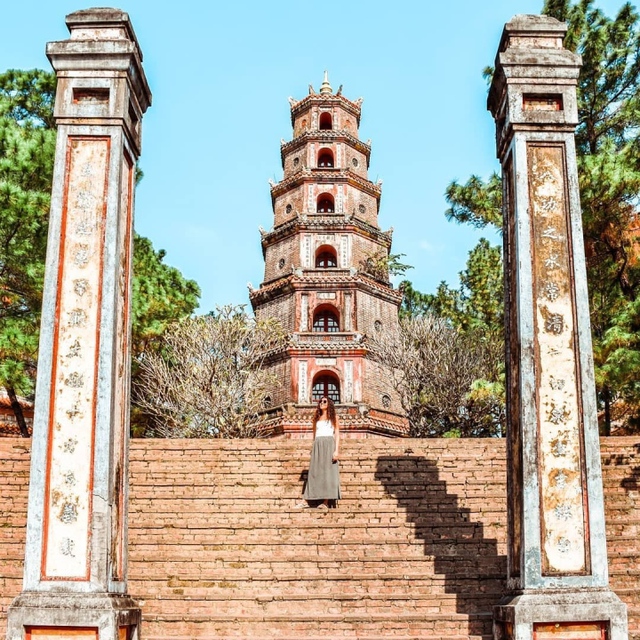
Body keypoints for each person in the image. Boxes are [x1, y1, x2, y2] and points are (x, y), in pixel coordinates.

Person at [300, 396, 341, 509]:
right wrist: (313, 447)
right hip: (318, 444)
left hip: (329, 444)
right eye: (320, 401)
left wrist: (336, 450)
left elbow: (337, 434)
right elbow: (314, 434)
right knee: (314, 472)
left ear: (329, 404)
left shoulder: (334, 418)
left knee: (328, 473)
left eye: (324, 401)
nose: (321, 403)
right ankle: (306, 500)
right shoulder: (316, 418)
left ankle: (325, 501)